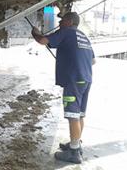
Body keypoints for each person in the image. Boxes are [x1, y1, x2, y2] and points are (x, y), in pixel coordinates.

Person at [31, 11, 95, 164]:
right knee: (79, 114)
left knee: (72, 115)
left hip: (73, 81)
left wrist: (35, 33)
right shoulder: (83, 36)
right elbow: (92, 61)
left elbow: (42, 40)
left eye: (62, 20)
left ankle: (73, 153)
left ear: (70, 21)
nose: (59, 23)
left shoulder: (66, 32)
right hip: (86, 80)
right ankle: (76, 143)